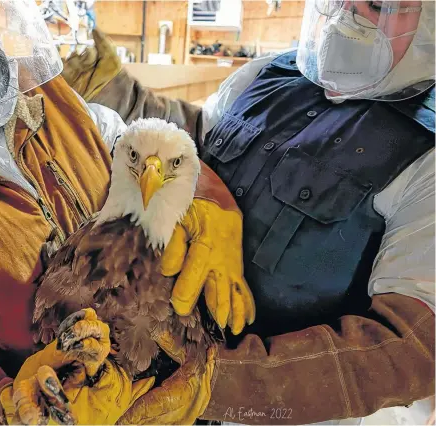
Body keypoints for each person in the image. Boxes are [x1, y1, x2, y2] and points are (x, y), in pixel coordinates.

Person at [0, 1, 256, 424]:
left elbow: (144, 147)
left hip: (156, 355)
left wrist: (208, 201)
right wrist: (4, 410)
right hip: (66, 401)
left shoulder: (51, 98)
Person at [62, 0, 436, 424]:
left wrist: (213, 382)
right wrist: (120, 94)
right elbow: (199, 141)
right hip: (170, 360)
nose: (345, 16)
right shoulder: (263, 77)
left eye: (377, 4)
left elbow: (412, 345)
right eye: (335, 0)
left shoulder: (427, 154)